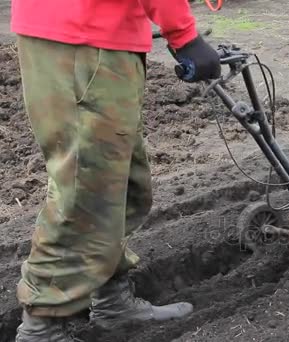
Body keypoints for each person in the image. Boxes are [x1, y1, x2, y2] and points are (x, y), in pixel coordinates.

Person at [10, 0, 221, 340]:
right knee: (87, 190)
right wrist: (183, 34)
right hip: (83, 36)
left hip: (92, 35)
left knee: (123, 182)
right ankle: (41, 329)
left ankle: (111, 299)